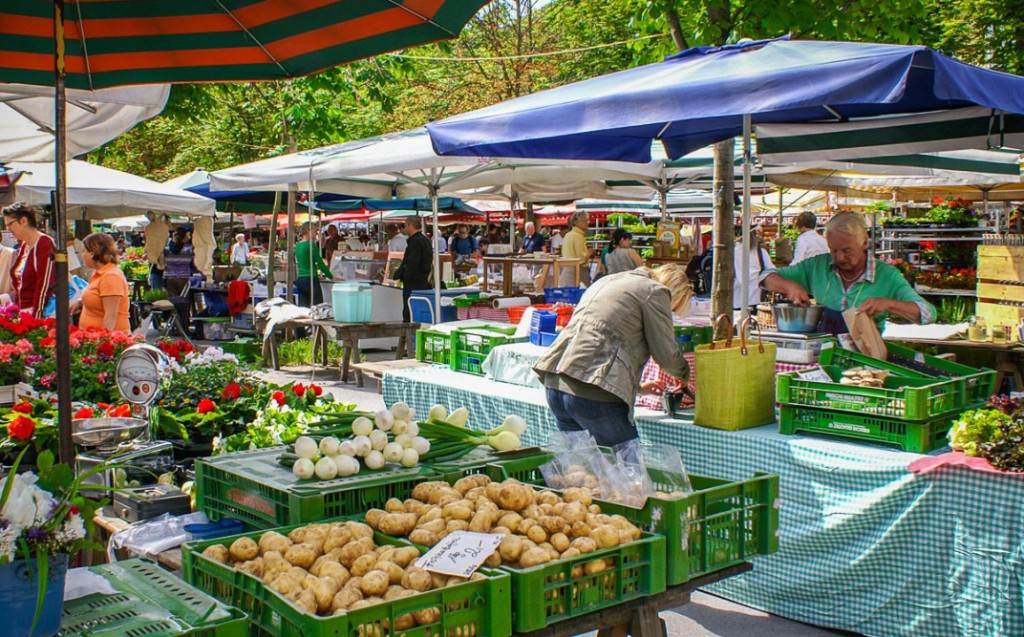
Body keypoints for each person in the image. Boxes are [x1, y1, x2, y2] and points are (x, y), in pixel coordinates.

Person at [534, 266, 692, 447]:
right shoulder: (655, 291)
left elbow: (595, 341)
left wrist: (638, 388)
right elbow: (666, 355)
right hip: (593, 393)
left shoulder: (608, 280)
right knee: (626, 463)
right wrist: (684, 374)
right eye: (673, 309)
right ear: (674, 292)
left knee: (580, 464)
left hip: (556, 383)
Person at [761, 211, 935, 334]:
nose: (840, 258)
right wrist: (790, 287)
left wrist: (889, 304)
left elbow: (928, 313)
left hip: (865, 360)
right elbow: (765, 277)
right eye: (833, 250)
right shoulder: (817, 266)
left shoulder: (886, 275)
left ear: (865, 243)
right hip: (824, 354)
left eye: (847, 251)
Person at [2, 202, 55, 318]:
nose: (8, 229)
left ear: (23, 221)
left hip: (38, 315)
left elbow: (44, 286)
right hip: (24, 313)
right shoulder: (24, 245)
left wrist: (36, 318)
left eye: (10, 224)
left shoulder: (44, 243)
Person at [72, 233, 130, 332]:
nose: (82, 255)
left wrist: (103, 339)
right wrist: (80, 302)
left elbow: (110, 316)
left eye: (84, 251)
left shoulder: (111, 276)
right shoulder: (99, 273)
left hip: (107, 338)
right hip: (91, 336)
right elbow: (97, 297)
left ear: (92, 254)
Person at [394, 217, 433, 323]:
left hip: (414, 282)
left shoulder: (415, 241)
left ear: (410, 225)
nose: (405, 228)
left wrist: (404, 275)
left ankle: (408, 332)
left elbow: (412, 263)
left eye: (405, 225)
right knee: (418, 310)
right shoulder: (425, 240)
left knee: (409, 311)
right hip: (423, 281)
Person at [295, 222, 334, 307]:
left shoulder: (297, 246)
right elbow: (320, 263)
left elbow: (304, 263)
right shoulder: (311, 245)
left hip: (301, 280)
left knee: (303, 308)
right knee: (318, 306)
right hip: (311, 280)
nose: (316, 233)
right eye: (315, 231)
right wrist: (331, 277)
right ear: (309, 230)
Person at [733, 228, 773, 312]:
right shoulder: (761, 252)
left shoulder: (733, 251)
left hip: (735, 298)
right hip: (755, 298)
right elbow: (772, 271)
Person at [560, 211, 591, 286]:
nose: (588, 222)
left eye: (587, 220)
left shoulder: (568, 235)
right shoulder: (578, 236)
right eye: (584, 220)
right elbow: (581, 259)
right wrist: (590, 253)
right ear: (576, 222)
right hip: (577, 272)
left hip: (566, 271)